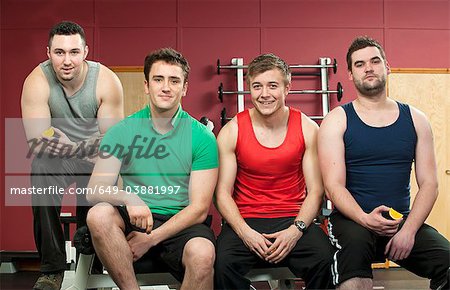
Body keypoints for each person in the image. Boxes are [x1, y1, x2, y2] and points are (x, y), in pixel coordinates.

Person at [318, 36, 450, 290]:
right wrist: (365, 219)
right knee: (355, 283)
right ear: (349, 74)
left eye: (375, 61)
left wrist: (409, 231)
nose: (368, 67)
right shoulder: (337, 120)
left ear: (387, 67)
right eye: (359, 64)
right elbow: (333, 187)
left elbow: (430, 184)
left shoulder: (416, 119)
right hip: (352, 220)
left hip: (400, 219)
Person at [85, 48, 219, 290]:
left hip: (181, 223)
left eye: (174, 80)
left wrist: (150, 239)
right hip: (136, 218)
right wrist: (128, 196)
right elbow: (95, 189)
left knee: (203, 254)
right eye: (158, 79)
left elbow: (199, 209)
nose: (166, 87)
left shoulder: (202, 138)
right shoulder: (122, 131)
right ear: (147, 85)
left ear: (185, 88)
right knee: (99, 215)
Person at [214, 53, 335, 289]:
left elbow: (316, 191)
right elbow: (222, 194)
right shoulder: (232, 131)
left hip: (293, 218)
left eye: (273, 86)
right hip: (246, 220)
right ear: (249, 89)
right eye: (257, 86)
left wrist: (296, 230)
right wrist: (245, 232)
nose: (264, 94)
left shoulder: (308, 128)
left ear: (287, 88)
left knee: (325, 260)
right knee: (221, 264)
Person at [20, 21, 124, 290]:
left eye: (74, 52)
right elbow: (39, 140)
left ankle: (91, 268)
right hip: (59, 158)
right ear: (48, 53)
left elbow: (111, 146)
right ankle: (51, 269)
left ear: (86, 52)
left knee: (101, 185)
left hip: (93, 158)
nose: (67, 60)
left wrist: (72, 145)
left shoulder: (106, 81)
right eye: (59, 52)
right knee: (41, 167)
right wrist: (81, 147)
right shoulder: (36, 81)